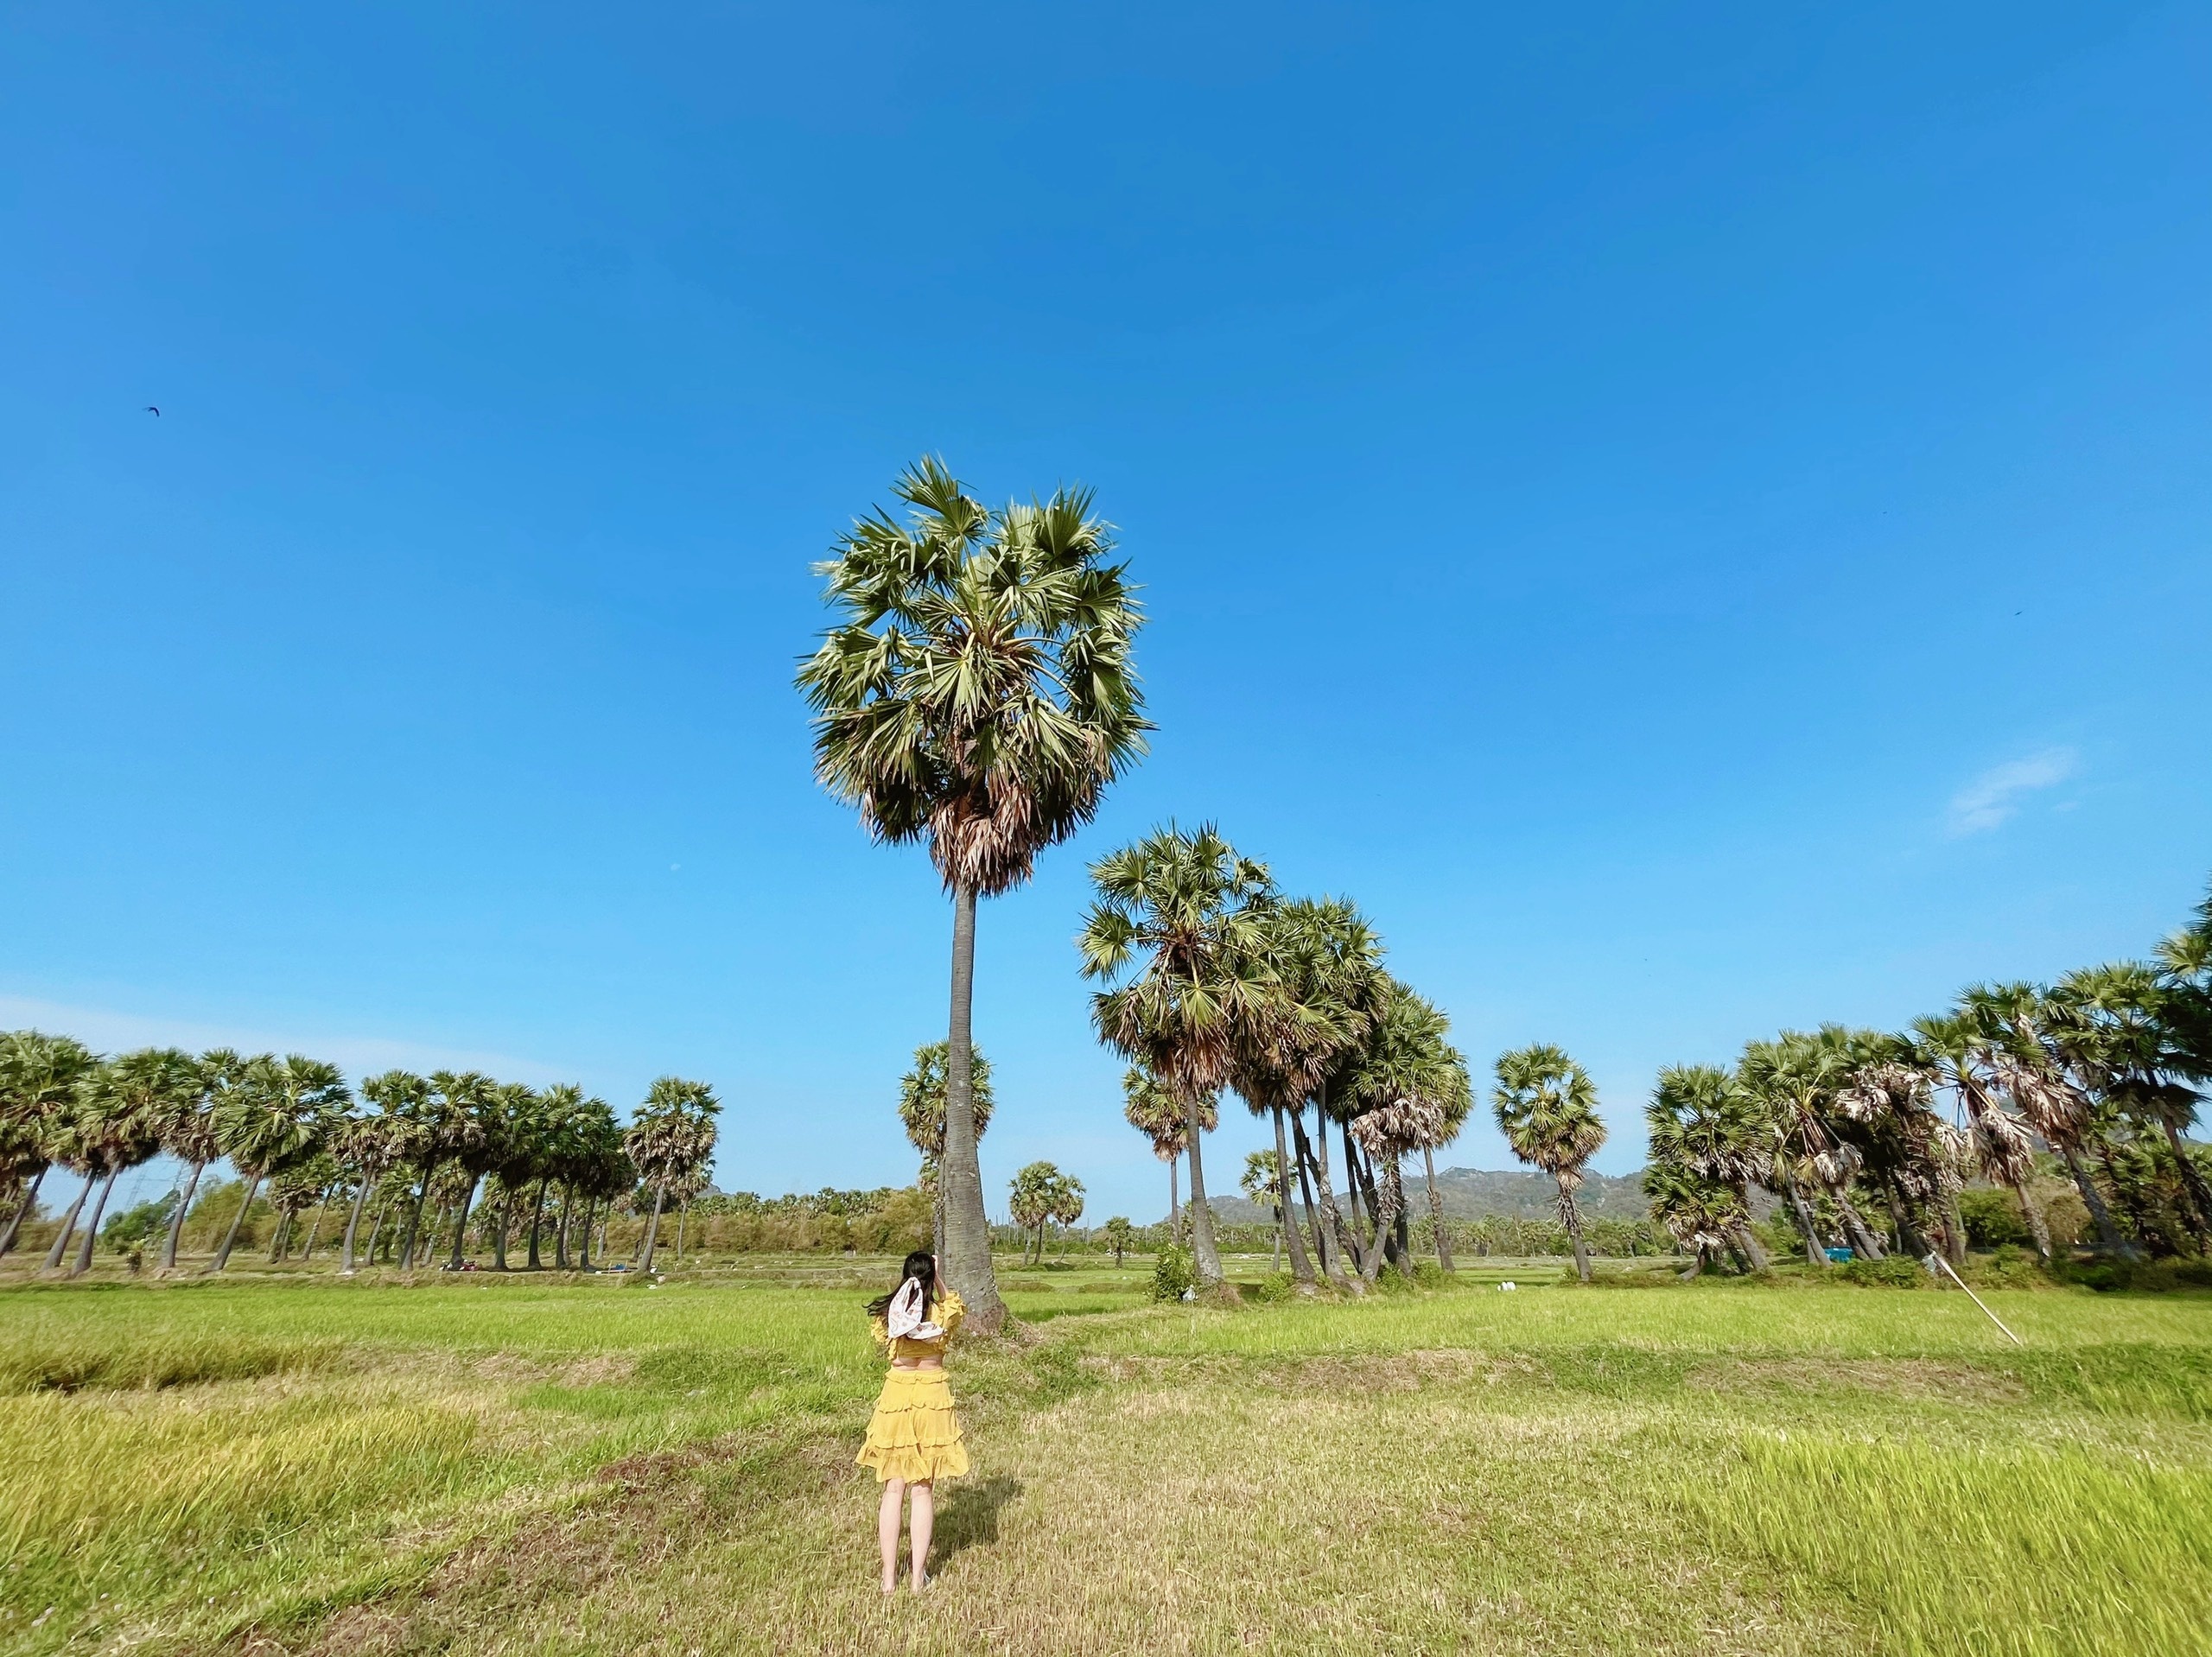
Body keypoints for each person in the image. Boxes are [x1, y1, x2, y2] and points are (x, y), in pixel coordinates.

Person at [857, 1248, 968, 1593]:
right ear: (930, 1279)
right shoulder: (940, 1314)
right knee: (923, 1490)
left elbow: (884, 1330)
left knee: (893, 1488)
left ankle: (889, 1579)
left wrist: (911, 1283)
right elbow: (957, 1305)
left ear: (906, 1277)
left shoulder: (891, 1316)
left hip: (896, 1398)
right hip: (932, 1401)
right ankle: (918, 1578)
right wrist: (937, 1277)